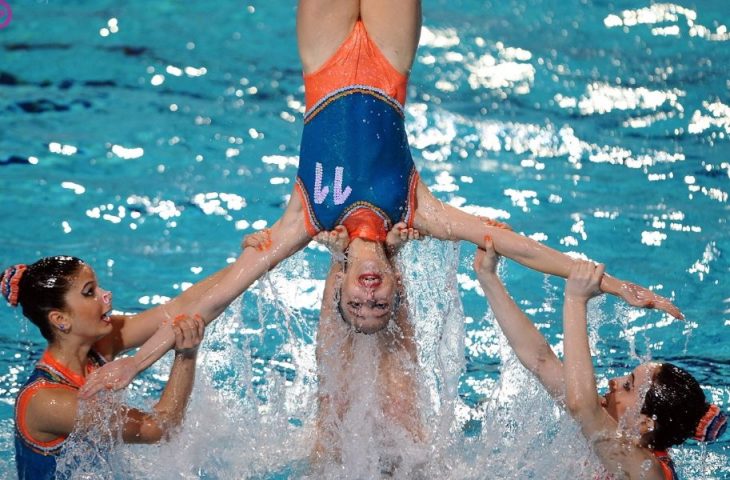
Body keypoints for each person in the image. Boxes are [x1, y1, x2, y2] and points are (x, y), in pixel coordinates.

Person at [83, 0, 682, 434]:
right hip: (391, 64)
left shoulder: (305, 222)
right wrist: (612, 284)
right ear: (397, 286)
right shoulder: (417, 212)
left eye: (357, 305)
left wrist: (131, 366)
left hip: (322, 60)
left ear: (338, 286)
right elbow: (518, 246)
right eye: (380, 305)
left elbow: (208, 304)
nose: (369, 297)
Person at [1, 247, 304, 479]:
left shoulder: (100, 346)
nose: (106, 296)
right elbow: (160, 428)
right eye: (90, 293)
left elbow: (179, 308)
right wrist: (185, 356)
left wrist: (256, 260)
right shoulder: (49, 402)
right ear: (60, 320)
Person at [473, 237, 727, 479]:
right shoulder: (607, 426)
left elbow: (581, 405)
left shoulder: (648, 472)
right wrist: (488, 277)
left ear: (643, 423)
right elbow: (541, 361)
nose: (613, 382)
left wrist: (575, 298)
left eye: (628, 385)